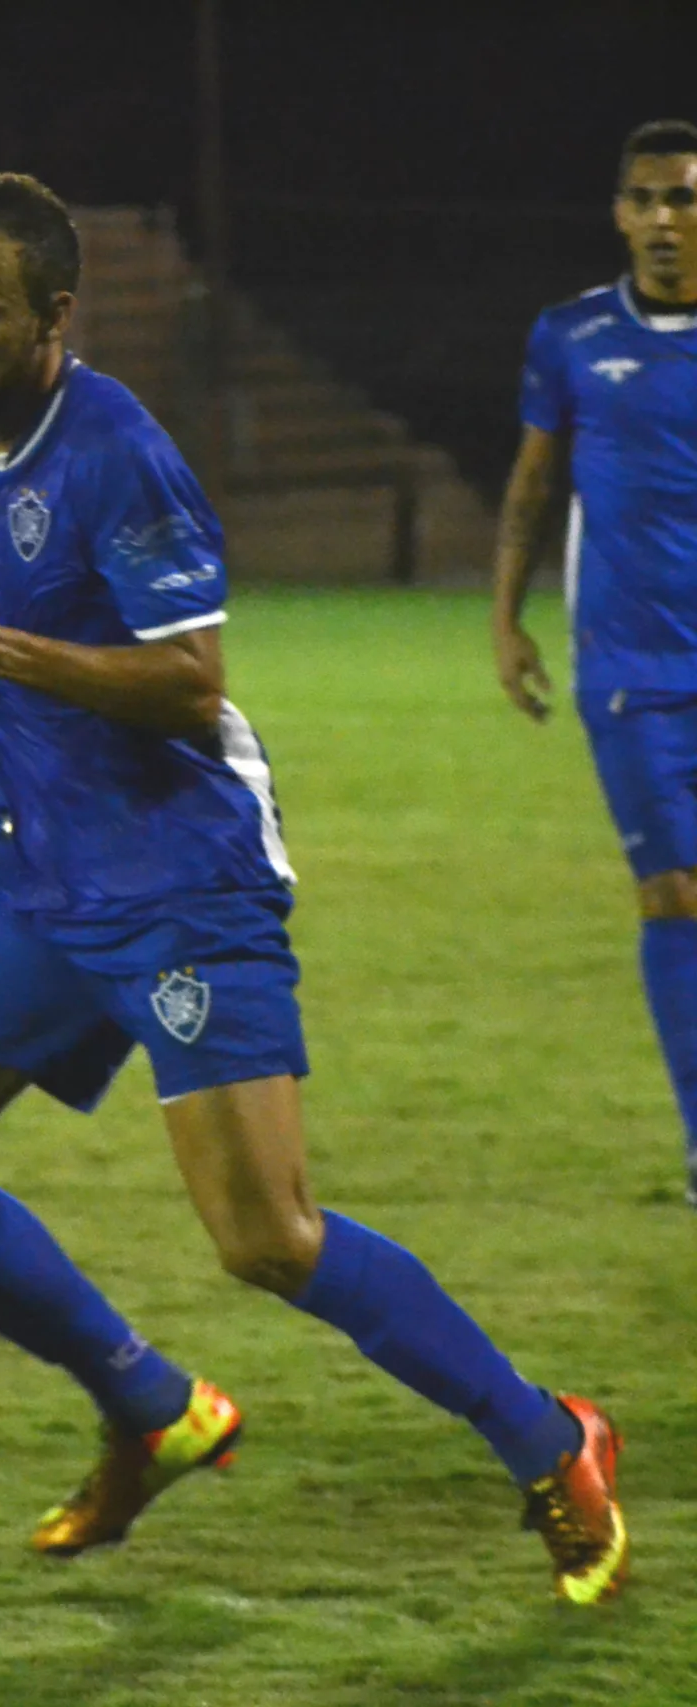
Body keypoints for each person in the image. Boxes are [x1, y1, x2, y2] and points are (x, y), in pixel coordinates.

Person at [0, 174, 625, 1604]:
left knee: (266, 1235)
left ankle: (553, 1437)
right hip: (33, 875)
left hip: (182, 871)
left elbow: (191, 684)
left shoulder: (122, 454)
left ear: (56, 319)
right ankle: (150, 1402)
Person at [493, 119, 697, 1210]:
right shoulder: (570, 336)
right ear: (619, 213)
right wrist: (505, 618)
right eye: (646, 198)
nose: (665, 219)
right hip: (628, 671)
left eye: (684, 198)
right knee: (672, 894)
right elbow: (531, 487)